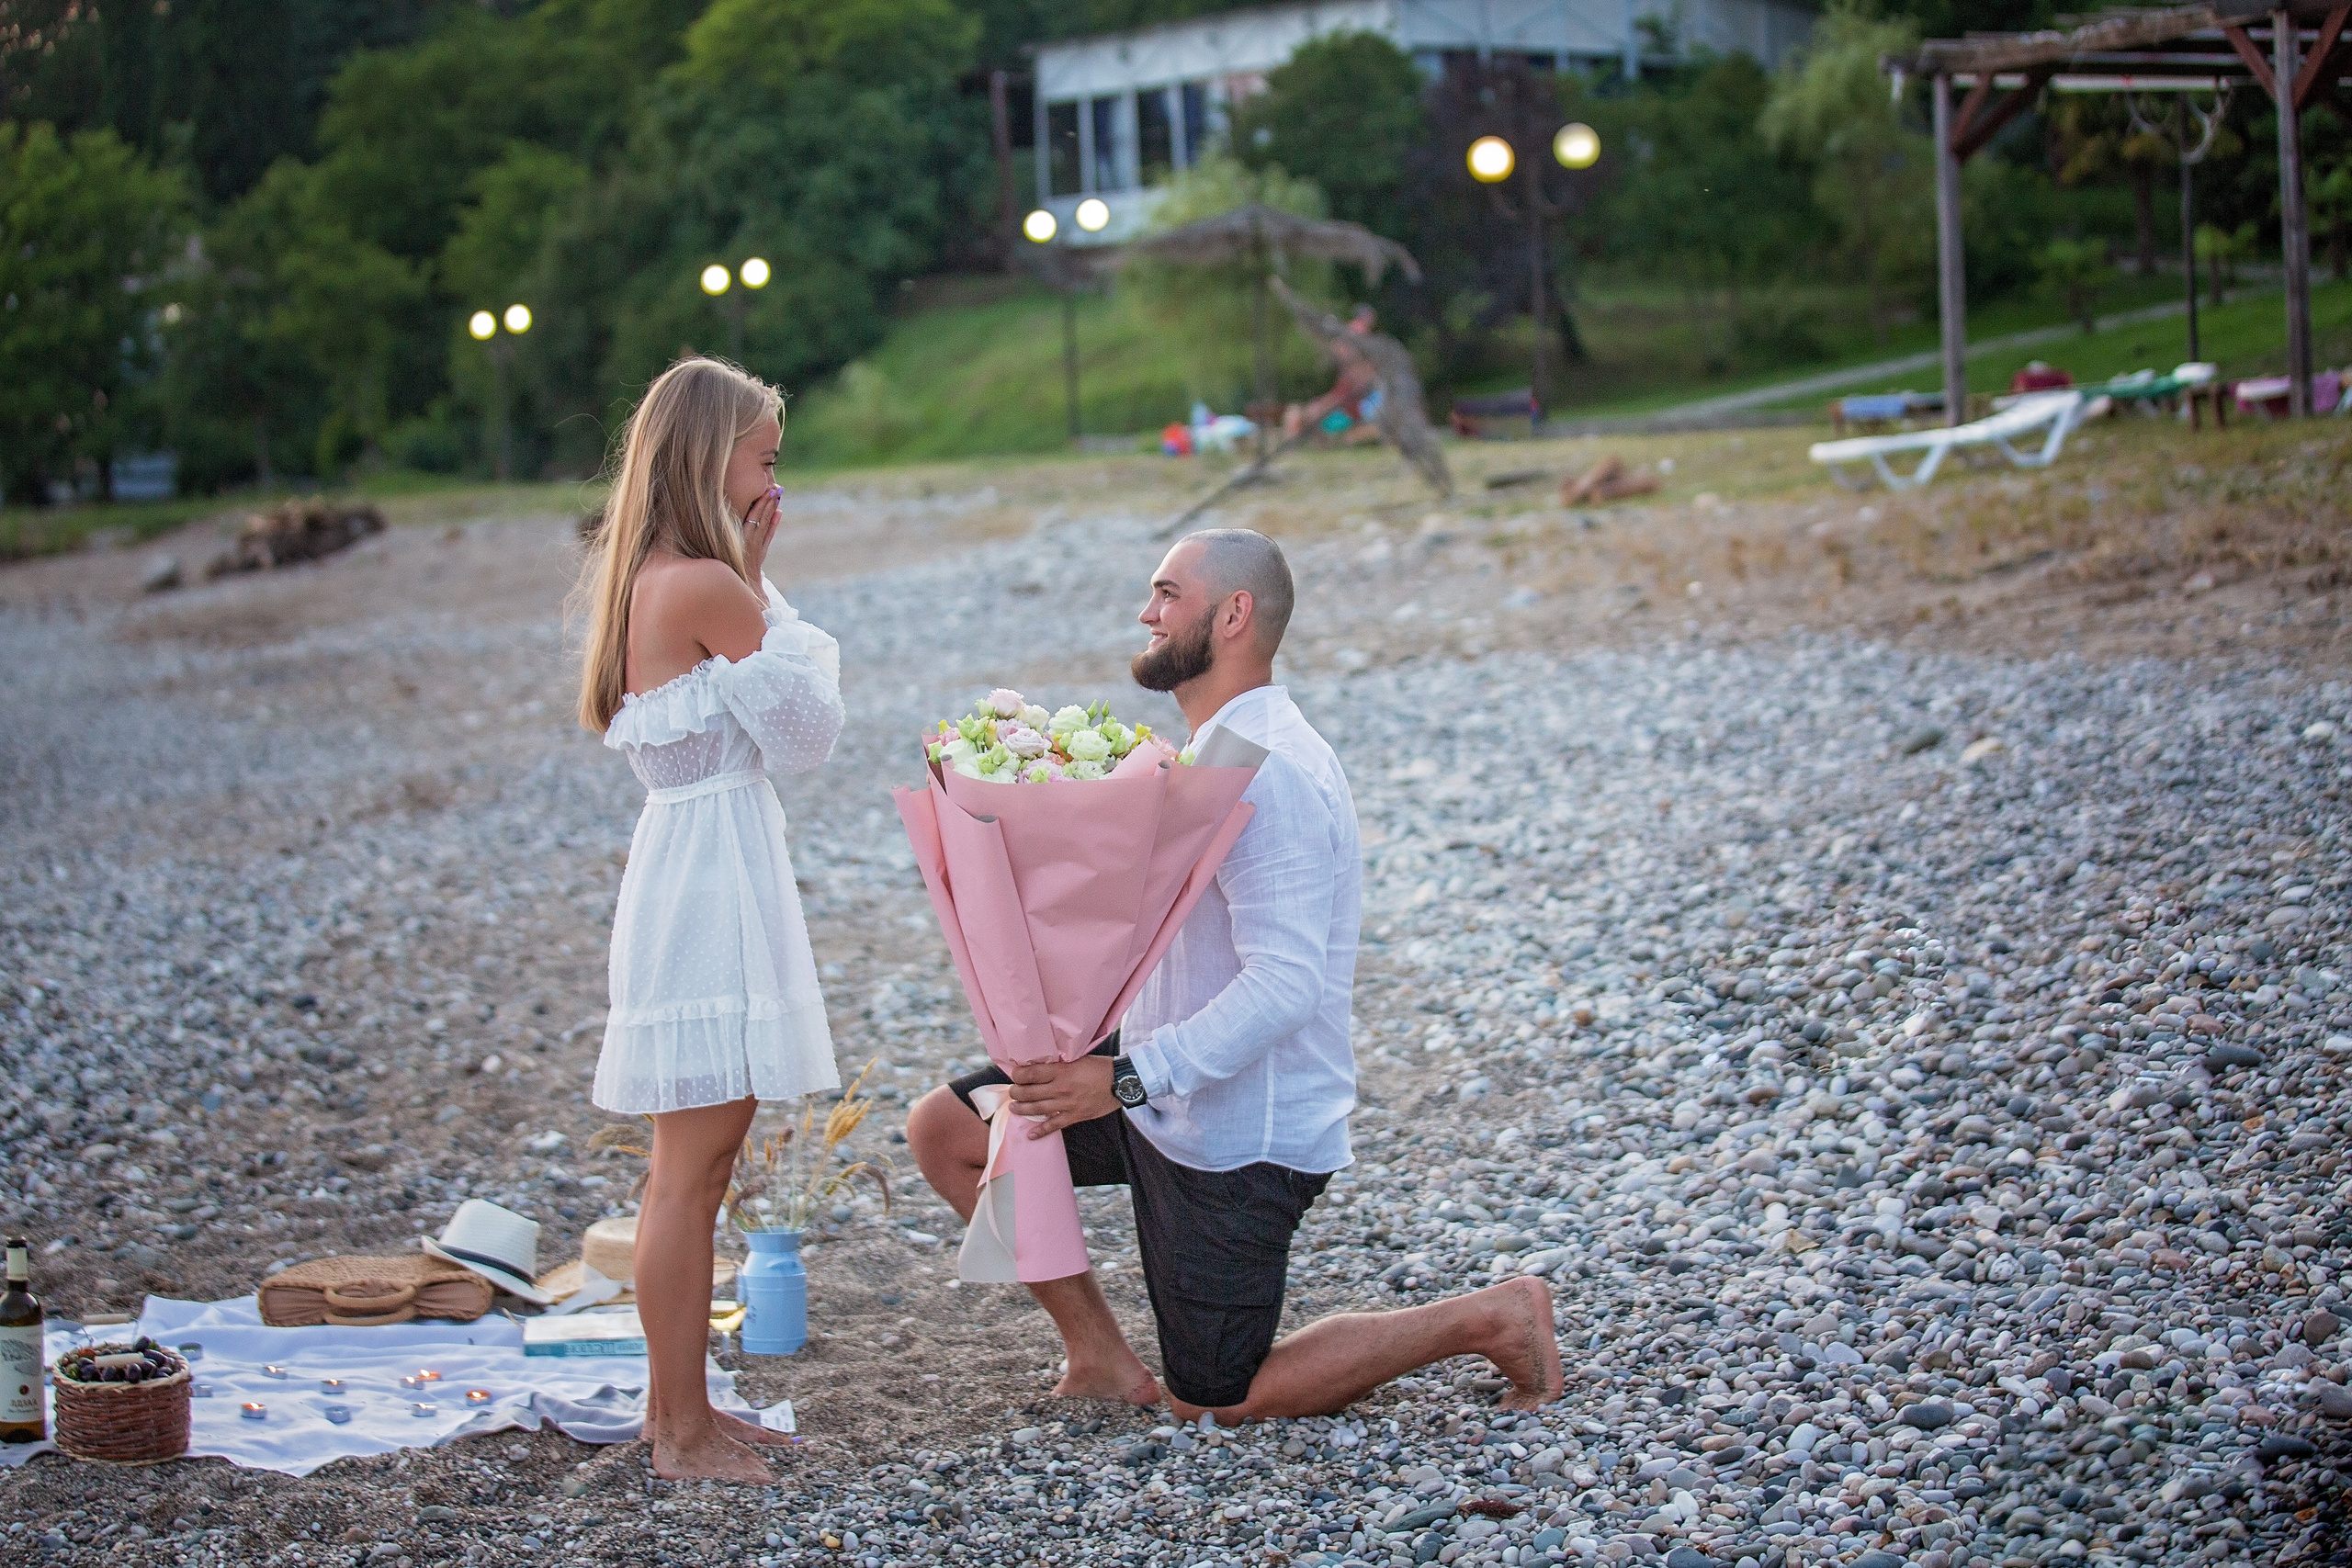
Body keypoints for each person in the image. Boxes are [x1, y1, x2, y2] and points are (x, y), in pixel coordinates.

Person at [906, 529, 1561, 1424]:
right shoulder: (1206, 754)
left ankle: (1489, 1315)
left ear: (1234, 613)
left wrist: (1120, 1079)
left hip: (1236, 1136)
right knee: (949, 1128)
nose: (1147, 612)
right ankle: (1098, 1356)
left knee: (1215, 1401)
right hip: (1155, 1090)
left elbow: (1286, 984)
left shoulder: (1272, 773)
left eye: (1167, 593)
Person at [574, 356, 845, 1482]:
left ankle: (678, 1409)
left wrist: (753, 572)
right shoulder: (701, 583)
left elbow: (770, 704)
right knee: (690, 1172)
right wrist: (760, 582)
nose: (774, 477)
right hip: (710, 884)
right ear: (710, 456)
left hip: (690, 867)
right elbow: (809, 730)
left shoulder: (659, 571)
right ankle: (679, 1429)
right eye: (764, 457)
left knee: (694, 1165)